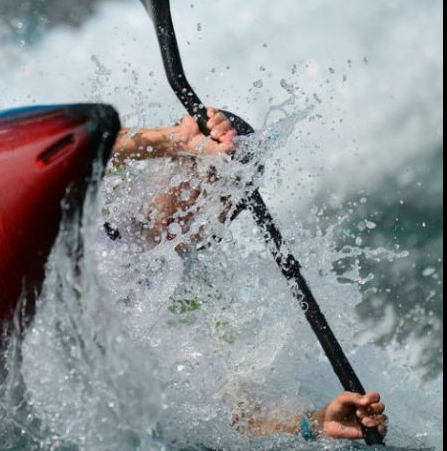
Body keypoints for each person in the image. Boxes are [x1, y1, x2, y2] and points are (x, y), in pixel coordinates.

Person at [107, 107, 388, 441]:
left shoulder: (198, 294)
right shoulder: (105, 193)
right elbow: (86, 144)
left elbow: (236, 416)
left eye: (219, 201)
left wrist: (315, 424)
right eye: (193, 180)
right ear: (162, 166)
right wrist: (176, 140)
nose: (195, 206)